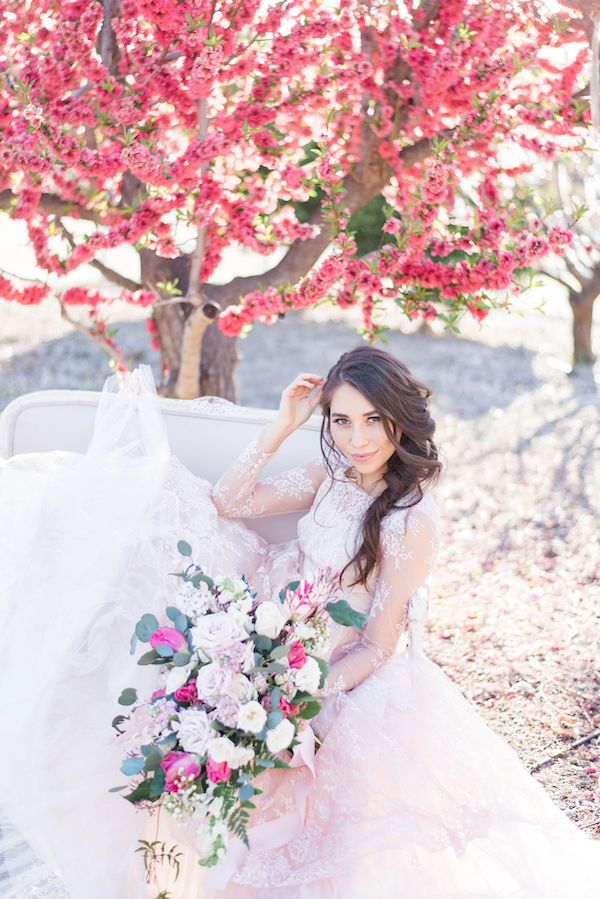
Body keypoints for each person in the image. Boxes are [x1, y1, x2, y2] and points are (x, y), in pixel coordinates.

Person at [0, 347, 598, 899]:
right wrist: (280, 426)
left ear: (400, 420)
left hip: (330, 675)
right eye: (342, 420)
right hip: (262, 642)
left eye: (373, 420)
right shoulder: (329, 477)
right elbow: (230, 502)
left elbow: (378, 646)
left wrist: (300, 696)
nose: (358, 438)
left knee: (280, 814)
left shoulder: (410, 519)